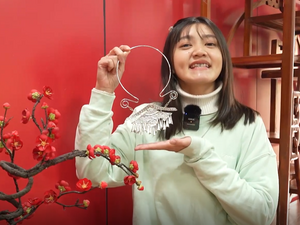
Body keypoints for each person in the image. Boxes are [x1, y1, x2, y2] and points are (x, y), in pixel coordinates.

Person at [75, 16, 279, 225]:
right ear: (170, 59)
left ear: (223, 58)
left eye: (210, 43)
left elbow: (261, 214)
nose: (199, 51)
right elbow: (93, 172)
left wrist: (202, 157)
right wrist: (103, 92)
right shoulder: (147, 117)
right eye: (186, 45)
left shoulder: (248, 123)